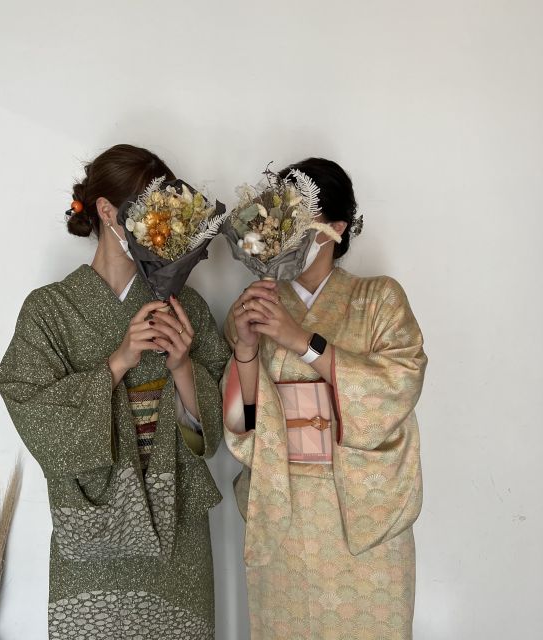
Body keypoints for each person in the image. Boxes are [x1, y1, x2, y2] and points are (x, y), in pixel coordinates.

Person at [0, 144, 229, 639]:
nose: (161, 228)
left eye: (169, 216)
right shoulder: (50, 309)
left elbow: (212, 434)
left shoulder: (184, 305)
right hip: (90, 525)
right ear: (106, 211)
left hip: (175, 522)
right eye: (150, 213)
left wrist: (182, 366)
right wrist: (118, 361)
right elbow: (32, 410)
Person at [222, 157, 427, 640]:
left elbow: (399, 385)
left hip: (362, 511)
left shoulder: (379, 298)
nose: (289, 235)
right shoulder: (258, 304)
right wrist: (245, 351)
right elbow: (244, 421)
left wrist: (301, 341)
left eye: (301, 222)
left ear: (335, 229)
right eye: (281, 222)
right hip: (284, 504)